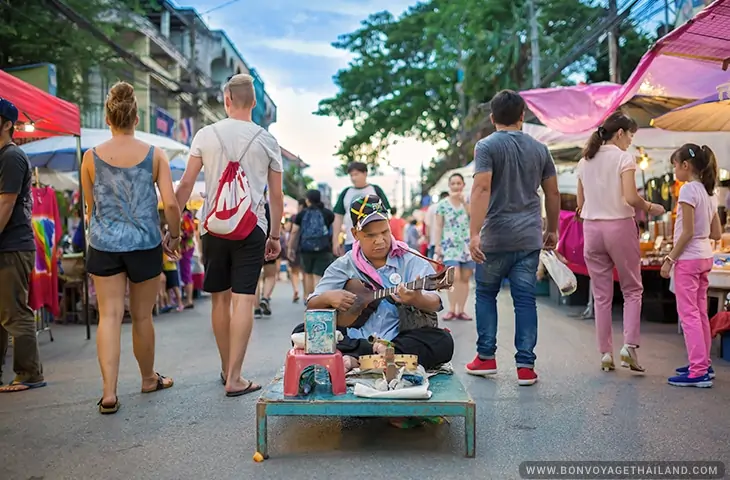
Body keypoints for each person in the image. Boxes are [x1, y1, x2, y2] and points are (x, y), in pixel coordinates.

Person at [174, 73, 283, 397]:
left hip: (213, 227)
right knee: (244, 301)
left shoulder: (206, 135)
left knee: (219, 300)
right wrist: (274, 235)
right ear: (253, 104)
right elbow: (276, 196)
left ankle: (226, 368)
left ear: (226, 100)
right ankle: (236, 375)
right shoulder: (266, 140)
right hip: (252, 228)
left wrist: (172, 225)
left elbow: (186, 184)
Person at [80, 82, 179, 413]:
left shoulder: (90, 158)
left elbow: (90, 209)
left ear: (109, 119)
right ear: (137, 118)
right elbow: (171, 205)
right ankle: (148, 378)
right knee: (141, 317)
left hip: (104, 243)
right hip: (144, 243)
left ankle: (109, 392)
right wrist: (174, 236)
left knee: (108, 315)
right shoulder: (155, 155)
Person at [467, 90, 560, 386]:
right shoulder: (540, 149)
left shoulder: (486, 146)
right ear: (523, 117)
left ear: (493, 118)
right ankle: (525, 367)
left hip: (494, 236)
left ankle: (485, 358)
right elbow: (553, 192)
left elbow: (481, 189)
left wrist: (473, 233)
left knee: (485, 294)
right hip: (528, 238)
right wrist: (552, 229)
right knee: (525, 301)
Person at [301, 194, 453, 372]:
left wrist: (416, 299)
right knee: (303, 331)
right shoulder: (344, 264)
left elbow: (435, 302)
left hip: (398, 339)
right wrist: (328, 296)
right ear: (355, 234)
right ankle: (375, 356)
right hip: (354, 340)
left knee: (443, 341)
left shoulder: (409, 258)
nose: (380, 241)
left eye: (384, 232)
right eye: (370, 235)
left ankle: (359, 360)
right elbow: (312, 305)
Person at [577, 111, 665, 373]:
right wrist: (651, 206)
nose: (630, 141)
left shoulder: (585, 161)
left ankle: (605, 353)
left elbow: (580, 206)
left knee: (602, 294)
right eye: (630, 136)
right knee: (632, 289)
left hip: (591, 229)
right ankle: (629, 347)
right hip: (619, 226)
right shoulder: (624, 158)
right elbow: (631, 197)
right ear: (620, 134)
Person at [662, 144, 721, 388]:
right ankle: (703, 364)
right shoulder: (710, 192)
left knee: (689, 316)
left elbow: (686, 232)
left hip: (688, 259)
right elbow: (716, 232)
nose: (674, 170)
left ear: (685, 166)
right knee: (700, 313)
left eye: (675, 165)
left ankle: (698, 371)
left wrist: (669, 260)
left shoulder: (688, 191)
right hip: (705, 257)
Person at [0, 98, 45, 393]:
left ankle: (29, 373)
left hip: (12, 245)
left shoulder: (11, 156)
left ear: (7, 125)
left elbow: (6, 203)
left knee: (14, 312)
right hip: (8, 245)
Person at [434, 173, 474, 320]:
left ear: (463, 185)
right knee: (453, 276)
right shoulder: (442, 205)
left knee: (465, 278)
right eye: (453, 184)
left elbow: (474, 218)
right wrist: (437, 244)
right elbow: (438, 226)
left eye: (459, 183)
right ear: (449, 186)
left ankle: (461, 310)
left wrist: (464, 203)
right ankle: (451, 309)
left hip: (467, 244)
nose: (456, 186)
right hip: (450, 245)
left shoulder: (469, 201)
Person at [332, 162, 391, 256]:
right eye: (351, 175)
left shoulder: (375, 190)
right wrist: (335, 241)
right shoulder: (346, 193)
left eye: (356, 174)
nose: (353, 178)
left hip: (375, 241)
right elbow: (338, 217)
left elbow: (386, 216)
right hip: (351, 241)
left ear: (365, 173)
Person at [289, 189, 335, 298]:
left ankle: (309, 299)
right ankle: (318, 299)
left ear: (308, 200)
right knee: (318, 275)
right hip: (324, 248)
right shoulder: (328, 213)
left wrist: (290, 247)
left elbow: (294, 231)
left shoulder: (302, 214)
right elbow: (331, 230)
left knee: (308, 274)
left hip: (306, 249)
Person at [255, 193, 279, 317]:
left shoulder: (247, 203)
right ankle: (265, 297)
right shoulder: (268, 207)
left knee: (255, 277)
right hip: (268, 242)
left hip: (251, 244)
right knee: (270, 275)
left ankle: (256, 308)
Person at [179, 207, 196, 309]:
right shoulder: (186, 216)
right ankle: (189, 299)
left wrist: (181, 234)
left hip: (186, 247)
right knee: (185, 273)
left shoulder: (185, 216)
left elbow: (190, 232)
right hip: (186, 247)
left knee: (186, 273)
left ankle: (189, 299)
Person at [282, 216, 302, 303]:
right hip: (306, 246)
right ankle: (306, 294)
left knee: (294, 272)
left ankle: (296, 289)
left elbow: (291, 231)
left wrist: (289, 247)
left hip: (295, 247)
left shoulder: (294, 217)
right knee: (306, 273)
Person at [424, 192, 449, 258]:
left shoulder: (432, 208)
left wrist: (428, 238)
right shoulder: (450, 207)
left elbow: (427, 225)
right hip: (448, 242)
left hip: (433, 241)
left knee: (433, 263)